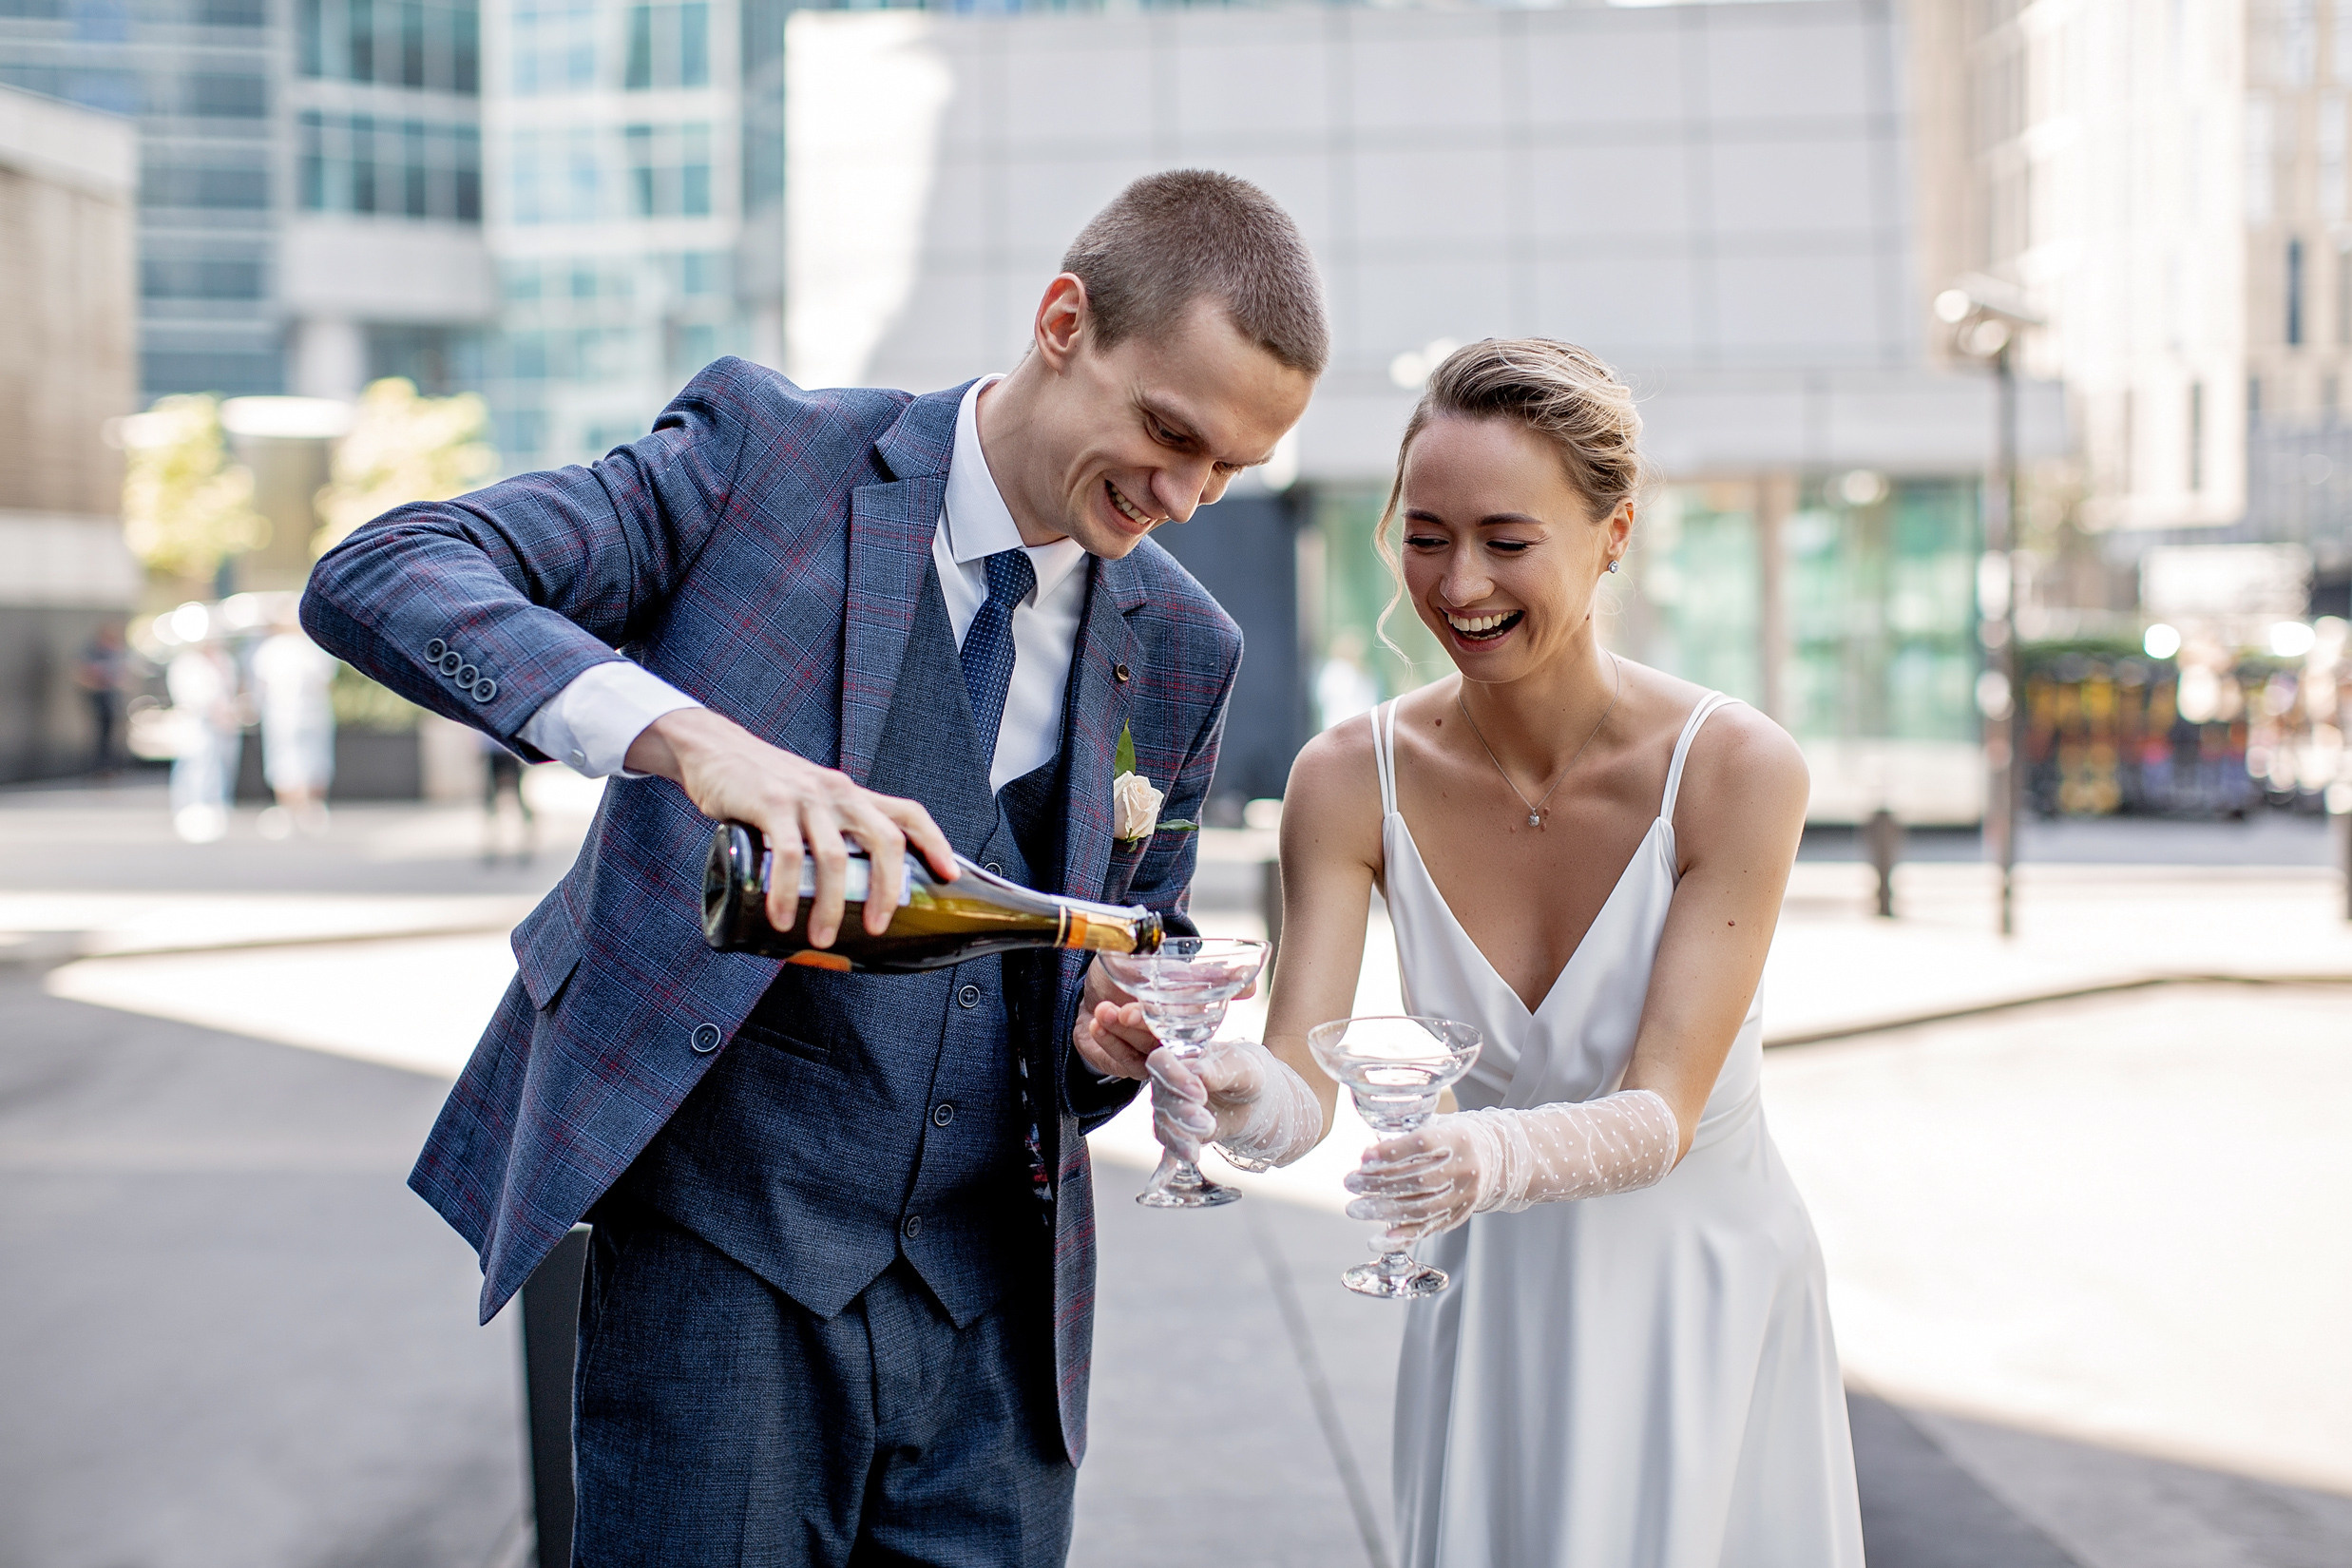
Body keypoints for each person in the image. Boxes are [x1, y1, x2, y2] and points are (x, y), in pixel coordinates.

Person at [301, 170, 1325, 1565]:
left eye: (1228, 469)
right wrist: (687, 740)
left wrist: (1108, 1041)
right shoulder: (764, 459)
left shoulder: (1186, 643)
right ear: (1062, 319)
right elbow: (386, 569)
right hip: (720, 1273)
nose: (1186, 495)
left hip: (996, 1329)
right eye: (1167, 431)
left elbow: (1127, 941)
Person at [1148, 340, 1864, 1566]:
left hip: (1699, 1297)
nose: (1459, 581)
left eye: (1507, 539)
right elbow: (1301, 1098)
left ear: (1615, 533)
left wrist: (1473, 1153)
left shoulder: (1737, 770)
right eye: (1425, 536)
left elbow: (1661, 1113)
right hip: (1488, 1312)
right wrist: (1225, 1093)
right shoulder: (1345, 777)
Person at [251, 615, 337, 837]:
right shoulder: (310, 647)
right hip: (300, 714)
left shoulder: (275, 649)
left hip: (287, 715)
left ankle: (297, 808)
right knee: (302, 760)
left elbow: (261, 685)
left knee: (289, 761)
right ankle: (305, 808)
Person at [164, 625, 241, 844]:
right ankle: (192, 810)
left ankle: (215, 808)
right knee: (195, 767)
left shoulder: (224, 661)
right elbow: (192, 696)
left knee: (219, 768)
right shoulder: (187, 663)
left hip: (222, 726)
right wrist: (214, 710)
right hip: (197, 723)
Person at [76, 622, 128, 775]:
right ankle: (99, 767)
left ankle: (111, 765)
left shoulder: (115, 654)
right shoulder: (90, 653)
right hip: (97, 699)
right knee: (99, 734)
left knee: (111, 733)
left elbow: (123, 675)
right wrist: (97, 684)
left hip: (112, 699)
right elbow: (81, 674)